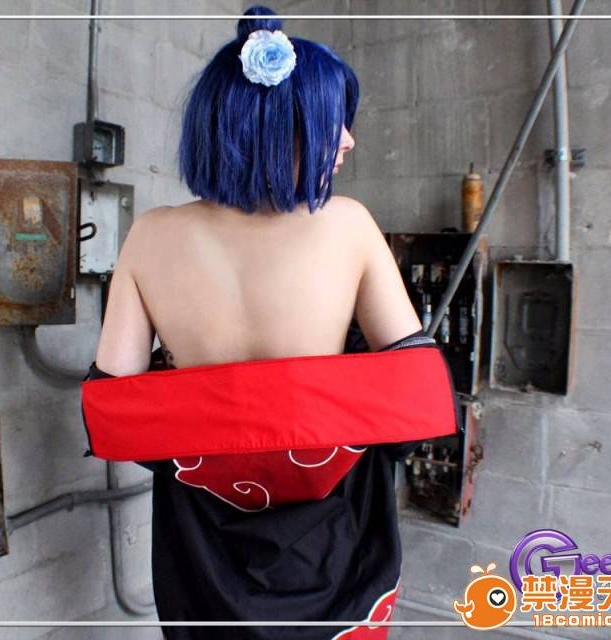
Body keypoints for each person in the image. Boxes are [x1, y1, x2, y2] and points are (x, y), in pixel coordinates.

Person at [80, 6, 460, 639]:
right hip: (332, 532)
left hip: (204, 536)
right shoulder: (348, 225)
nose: (348, 140)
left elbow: (112, 409)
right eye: (333, 121)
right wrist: (315, 427)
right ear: (279, 124)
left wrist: (215, 438)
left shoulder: (150, 235)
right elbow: (416, 393)